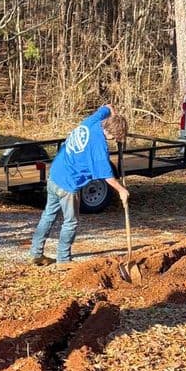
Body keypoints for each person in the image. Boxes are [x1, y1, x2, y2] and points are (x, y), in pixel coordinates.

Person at [29, 105, 130, 267]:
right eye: (118, 137)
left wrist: (114, 115)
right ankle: (63, 260)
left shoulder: (93, 121)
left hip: (55, 174)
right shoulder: (99, 148)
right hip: (69, 184)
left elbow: (107, 107)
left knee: (48, 215)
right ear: (114, 134)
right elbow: (107, 176)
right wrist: (122, 190)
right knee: (71, 222)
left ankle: (36, 253)